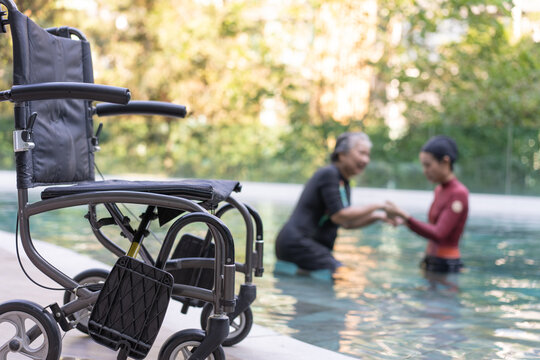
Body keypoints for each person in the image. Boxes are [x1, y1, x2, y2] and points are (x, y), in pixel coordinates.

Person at [275, 131, 391, 274]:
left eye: (368, 155)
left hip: (305, 244)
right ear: (342, 154)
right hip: (298, 243)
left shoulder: (343, 181)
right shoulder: (329, 174)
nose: (366, 160)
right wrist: (380, 205)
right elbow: (340, 215)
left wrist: (378, 216)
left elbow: (347, 223)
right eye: (361, 153)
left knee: (332, 277)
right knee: (341, 274)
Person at [384, 135, 469, 274]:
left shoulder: (459, 193)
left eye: (428, 165)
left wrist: (404, 215)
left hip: (446, 266)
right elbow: (432, 228)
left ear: (445, 162)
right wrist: (404, 221)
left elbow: (439, 234)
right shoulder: (439, 189)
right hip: (431, 261)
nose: (425, 171)